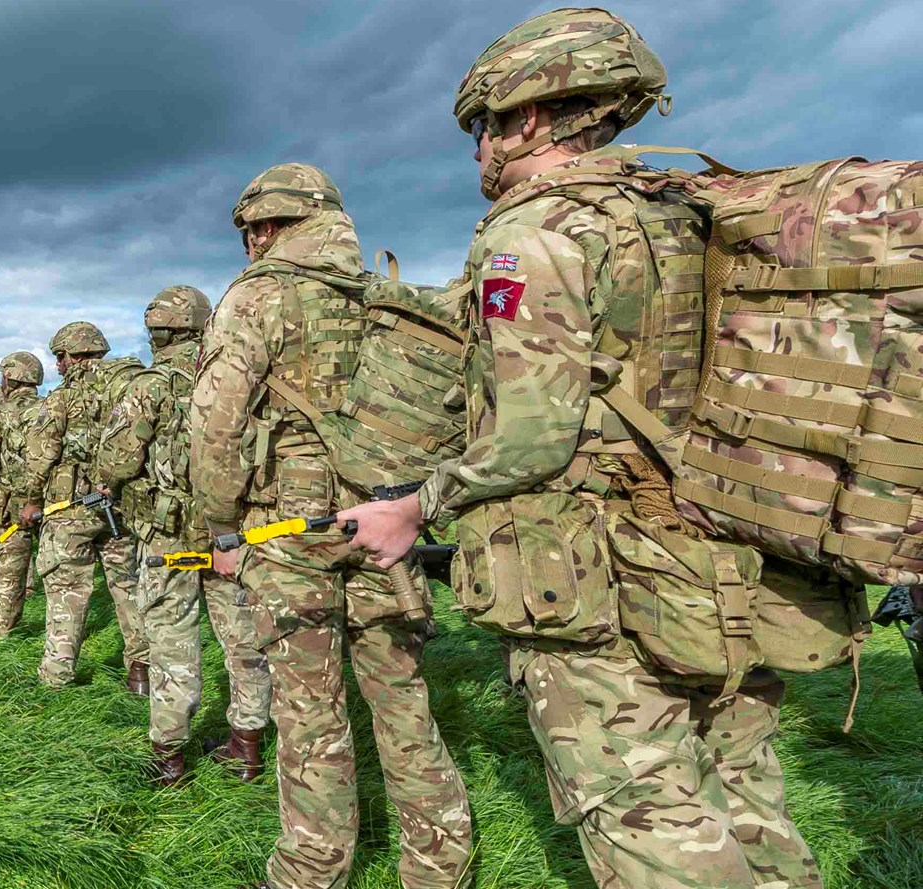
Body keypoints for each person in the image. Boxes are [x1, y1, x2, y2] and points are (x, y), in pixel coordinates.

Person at [341, 8, 823, 888]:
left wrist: (414, 507)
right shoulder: (684, 213)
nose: (476, 150)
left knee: (646, 816)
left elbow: (531, 434)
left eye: (481, 127)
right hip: (722, 554)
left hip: (602, 580)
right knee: (746, 798)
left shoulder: (531, 234)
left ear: (527, 116)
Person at [190, 163, 471, 888]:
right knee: (404, 702)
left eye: (254, 228)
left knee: (310, 713)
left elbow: (214, 427)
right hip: (382, 523)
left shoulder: (258, 297)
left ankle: (310, 870)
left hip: (288, 535)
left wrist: (220, 531)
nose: (250, 242)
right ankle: (439, 866)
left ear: (268, 227)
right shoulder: (380, 293)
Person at [95, 285, 271, 786]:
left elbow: (117, 461)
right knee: (243, 638)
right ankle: (247, 746)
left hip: (170, 538)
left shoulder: (149, 386)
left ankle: (169, 758)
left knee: (172, 640)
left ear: (157, 332)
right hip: (235, 532)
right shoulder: (240, 372)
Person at [19, 322, 145, 689]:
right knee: (130, 589)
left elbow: (40, 456)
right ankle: (141, 672)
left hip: (69, 511)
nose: (58, 367)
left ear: (71, 356)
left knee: (66, 592)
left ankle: (57, 674)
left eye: (59, 358)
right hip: (122, 506)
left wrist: (29, 500)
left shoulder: (62, 398)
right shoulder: (132, 389)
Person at [0, 351, 43, 638]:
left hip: (11, 505)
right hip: (50, 501)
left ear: (9, 378)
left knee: (9, 571)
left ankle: (2, 631)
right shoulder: (50, 407)